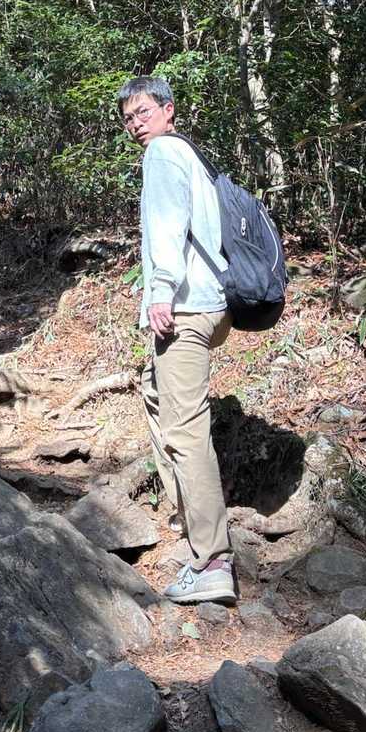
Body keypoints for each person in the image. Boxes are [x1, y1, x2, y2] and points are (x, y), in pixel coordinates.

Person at [118, 75, 235, 604]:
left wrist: (160, 291)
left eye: (143, 112)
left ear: (168, 110)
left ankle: (212, 559)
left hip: (186, 308)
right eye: (128, 118)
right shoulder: (192, 155)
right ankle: (189, 512)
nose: (135, 124)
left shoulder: (164, 153)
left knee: (185, 431)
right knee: (153, 389)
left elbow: (168, 225)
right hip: (213, 304)